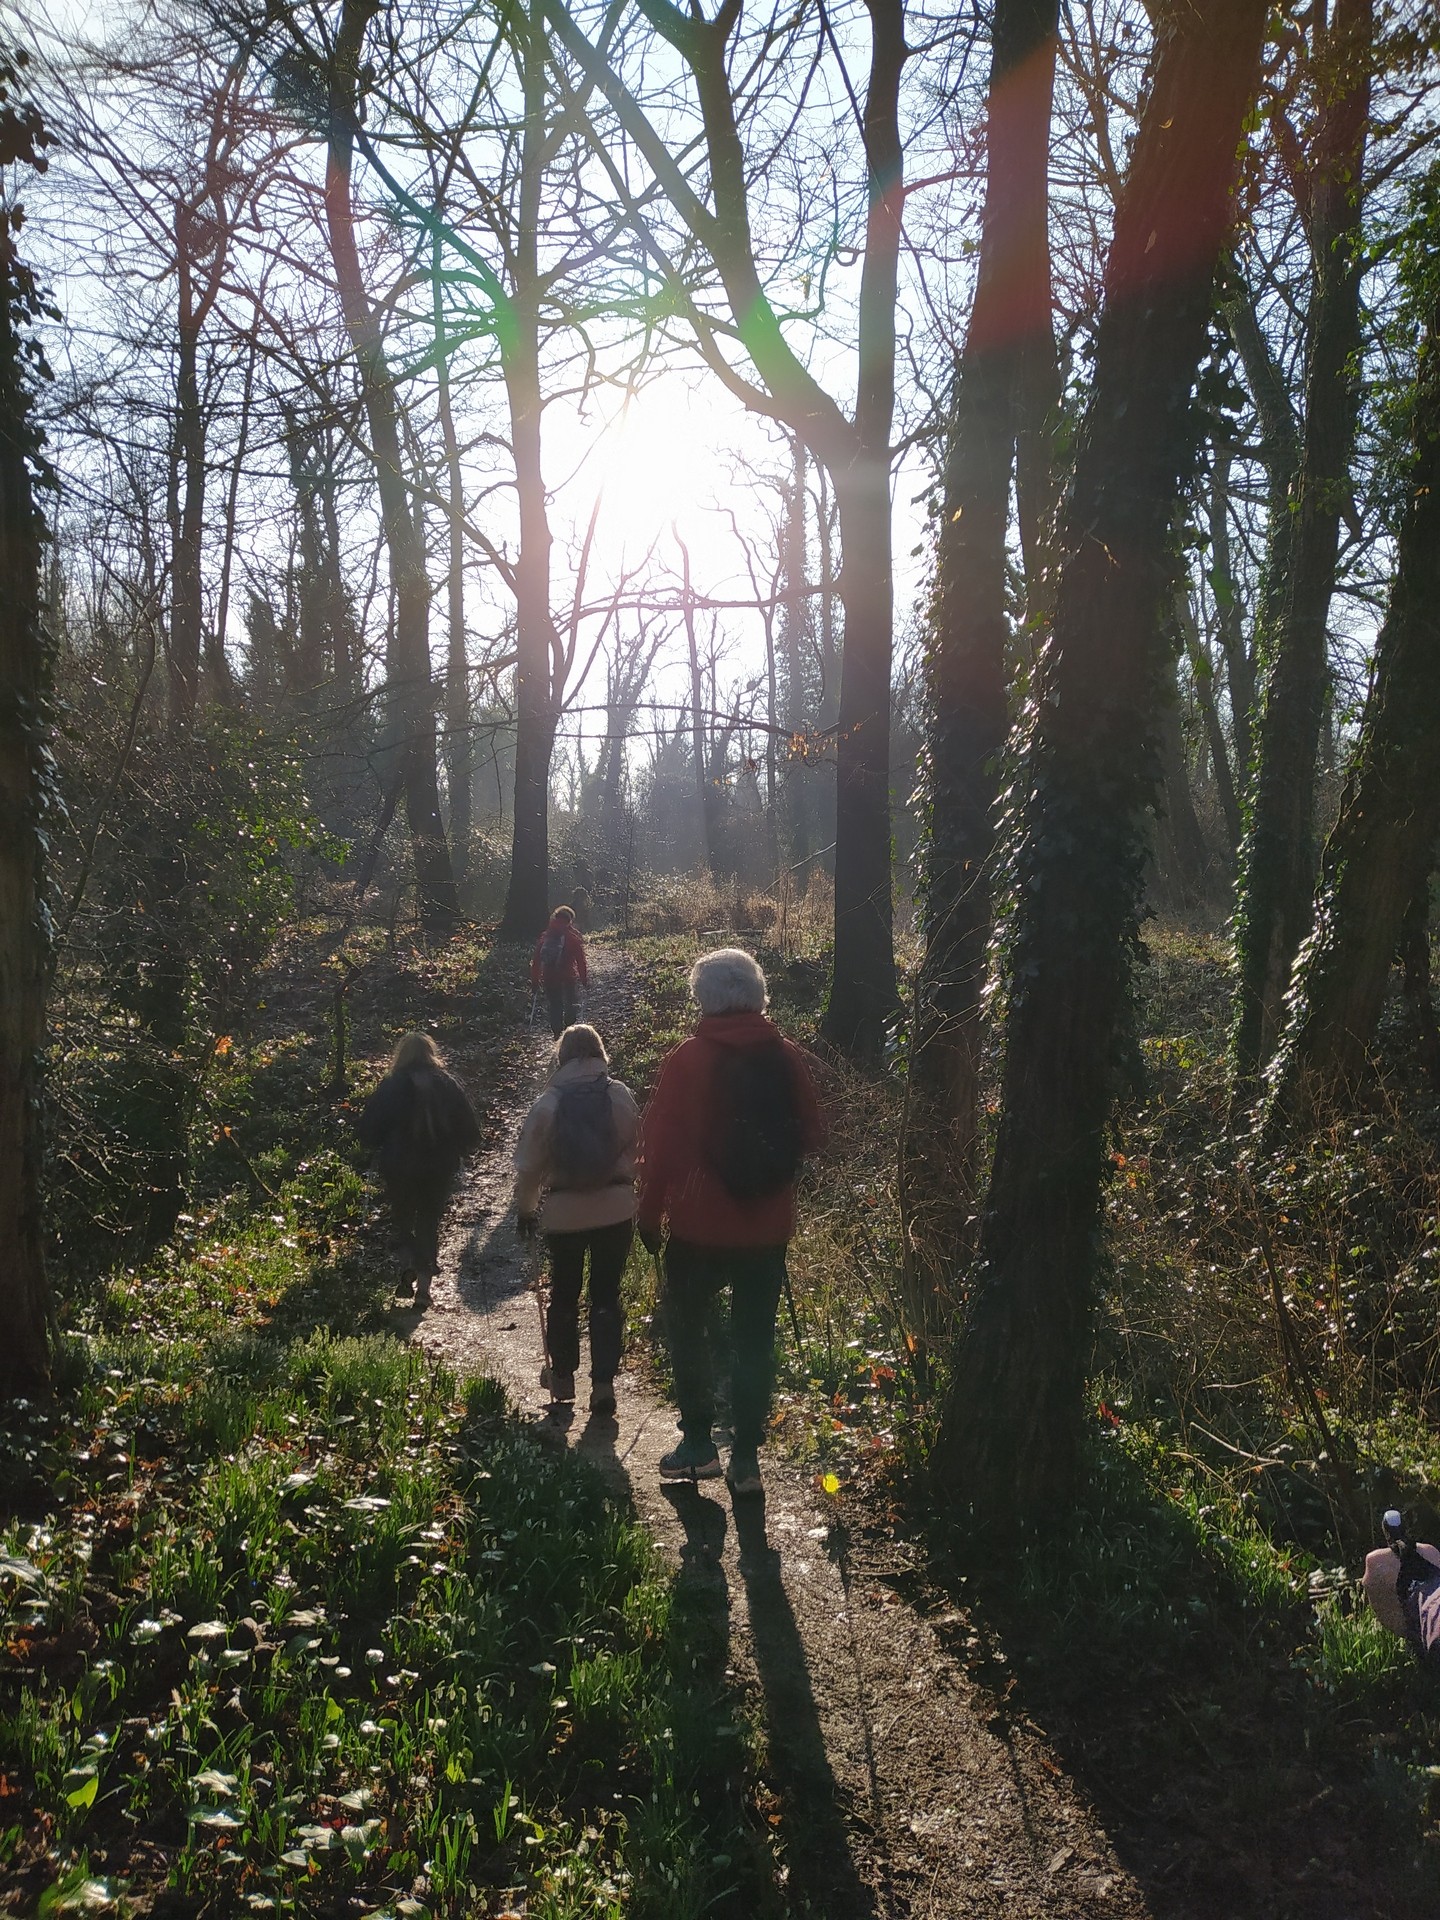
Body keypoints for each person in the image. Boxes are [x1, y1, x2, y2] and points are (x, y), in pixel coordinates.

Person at [637, 948, 825, 1495]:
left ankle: (697, 1444)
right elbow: (813, 1135)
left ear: (705, 996)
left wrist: (650, 1216)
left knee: (688, 1331)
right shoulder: (787, 1056)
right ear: (757, 992)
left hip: (698, 1228)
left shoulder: (687, 1060)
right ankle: (746, 1459)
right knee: (755, 1341)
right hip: (767, 1229)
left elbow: (662, 1146)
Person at [513, 1023, 638, 1417]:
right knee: (606, 1294)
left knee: (564, 1293)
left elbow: (529, 1168)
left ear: (561, 1057)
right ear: (600, 1052)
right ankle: (603, 1384)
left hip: (564, 1213)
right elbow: (640, 1147)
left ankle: (563, 1377)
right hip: (615, 1210)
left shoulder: (548, 1103)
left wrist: (526, 1210)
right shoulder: (619, 1096)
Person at [356, 1032, 480, 1307]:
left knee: (402, 1218)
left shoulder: (390, 1086)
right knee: (428, 1220)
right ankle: (424, 1286)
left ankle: (407, 1265)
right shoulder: (446, 1084)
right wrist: (458, 1149)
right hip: (438, 1165)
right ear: (431, 1053)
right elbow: (471, 1131)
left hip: (398, 1164)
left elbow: (368, 1130)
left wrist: (378, 1144)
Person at [530, 905, 588, 1037]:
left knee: (555, 1006)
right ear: (570, 921)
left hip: (550, 978)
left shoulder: (545, 938)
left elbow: (537, 962)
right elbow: (581, 961)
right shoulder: (572, 938)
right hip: (568, 978)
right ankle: (569, 1033)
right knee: (570, 1005)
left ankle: (557, 1033)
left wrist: (535, 981)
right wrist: (584, 980)